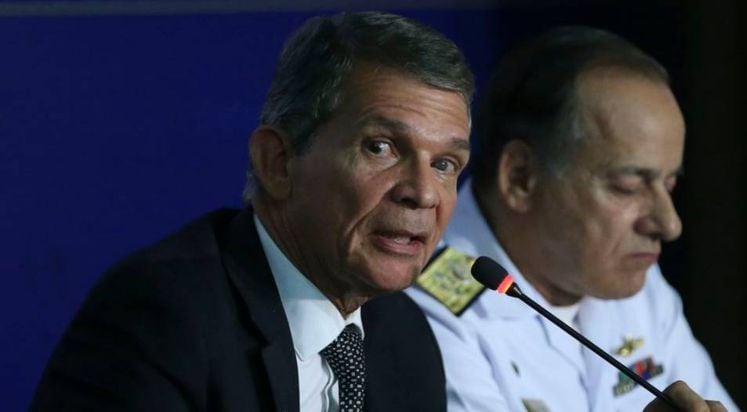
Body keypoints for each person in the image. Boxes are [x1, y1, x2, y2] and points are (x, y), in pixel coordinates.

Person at [31, 12, 474, 411]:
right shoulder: (164, 317)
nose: (423, 193)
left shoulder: (403, 336)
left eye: (444, 164)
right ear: (277, 162)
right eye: (380, 147)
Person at [408, 26, 737, 411]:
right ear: (521, 178)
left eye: (670, 184)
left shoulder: (635, 279)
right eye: (629, 186)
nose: (669, 224)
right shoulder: (421, 312)